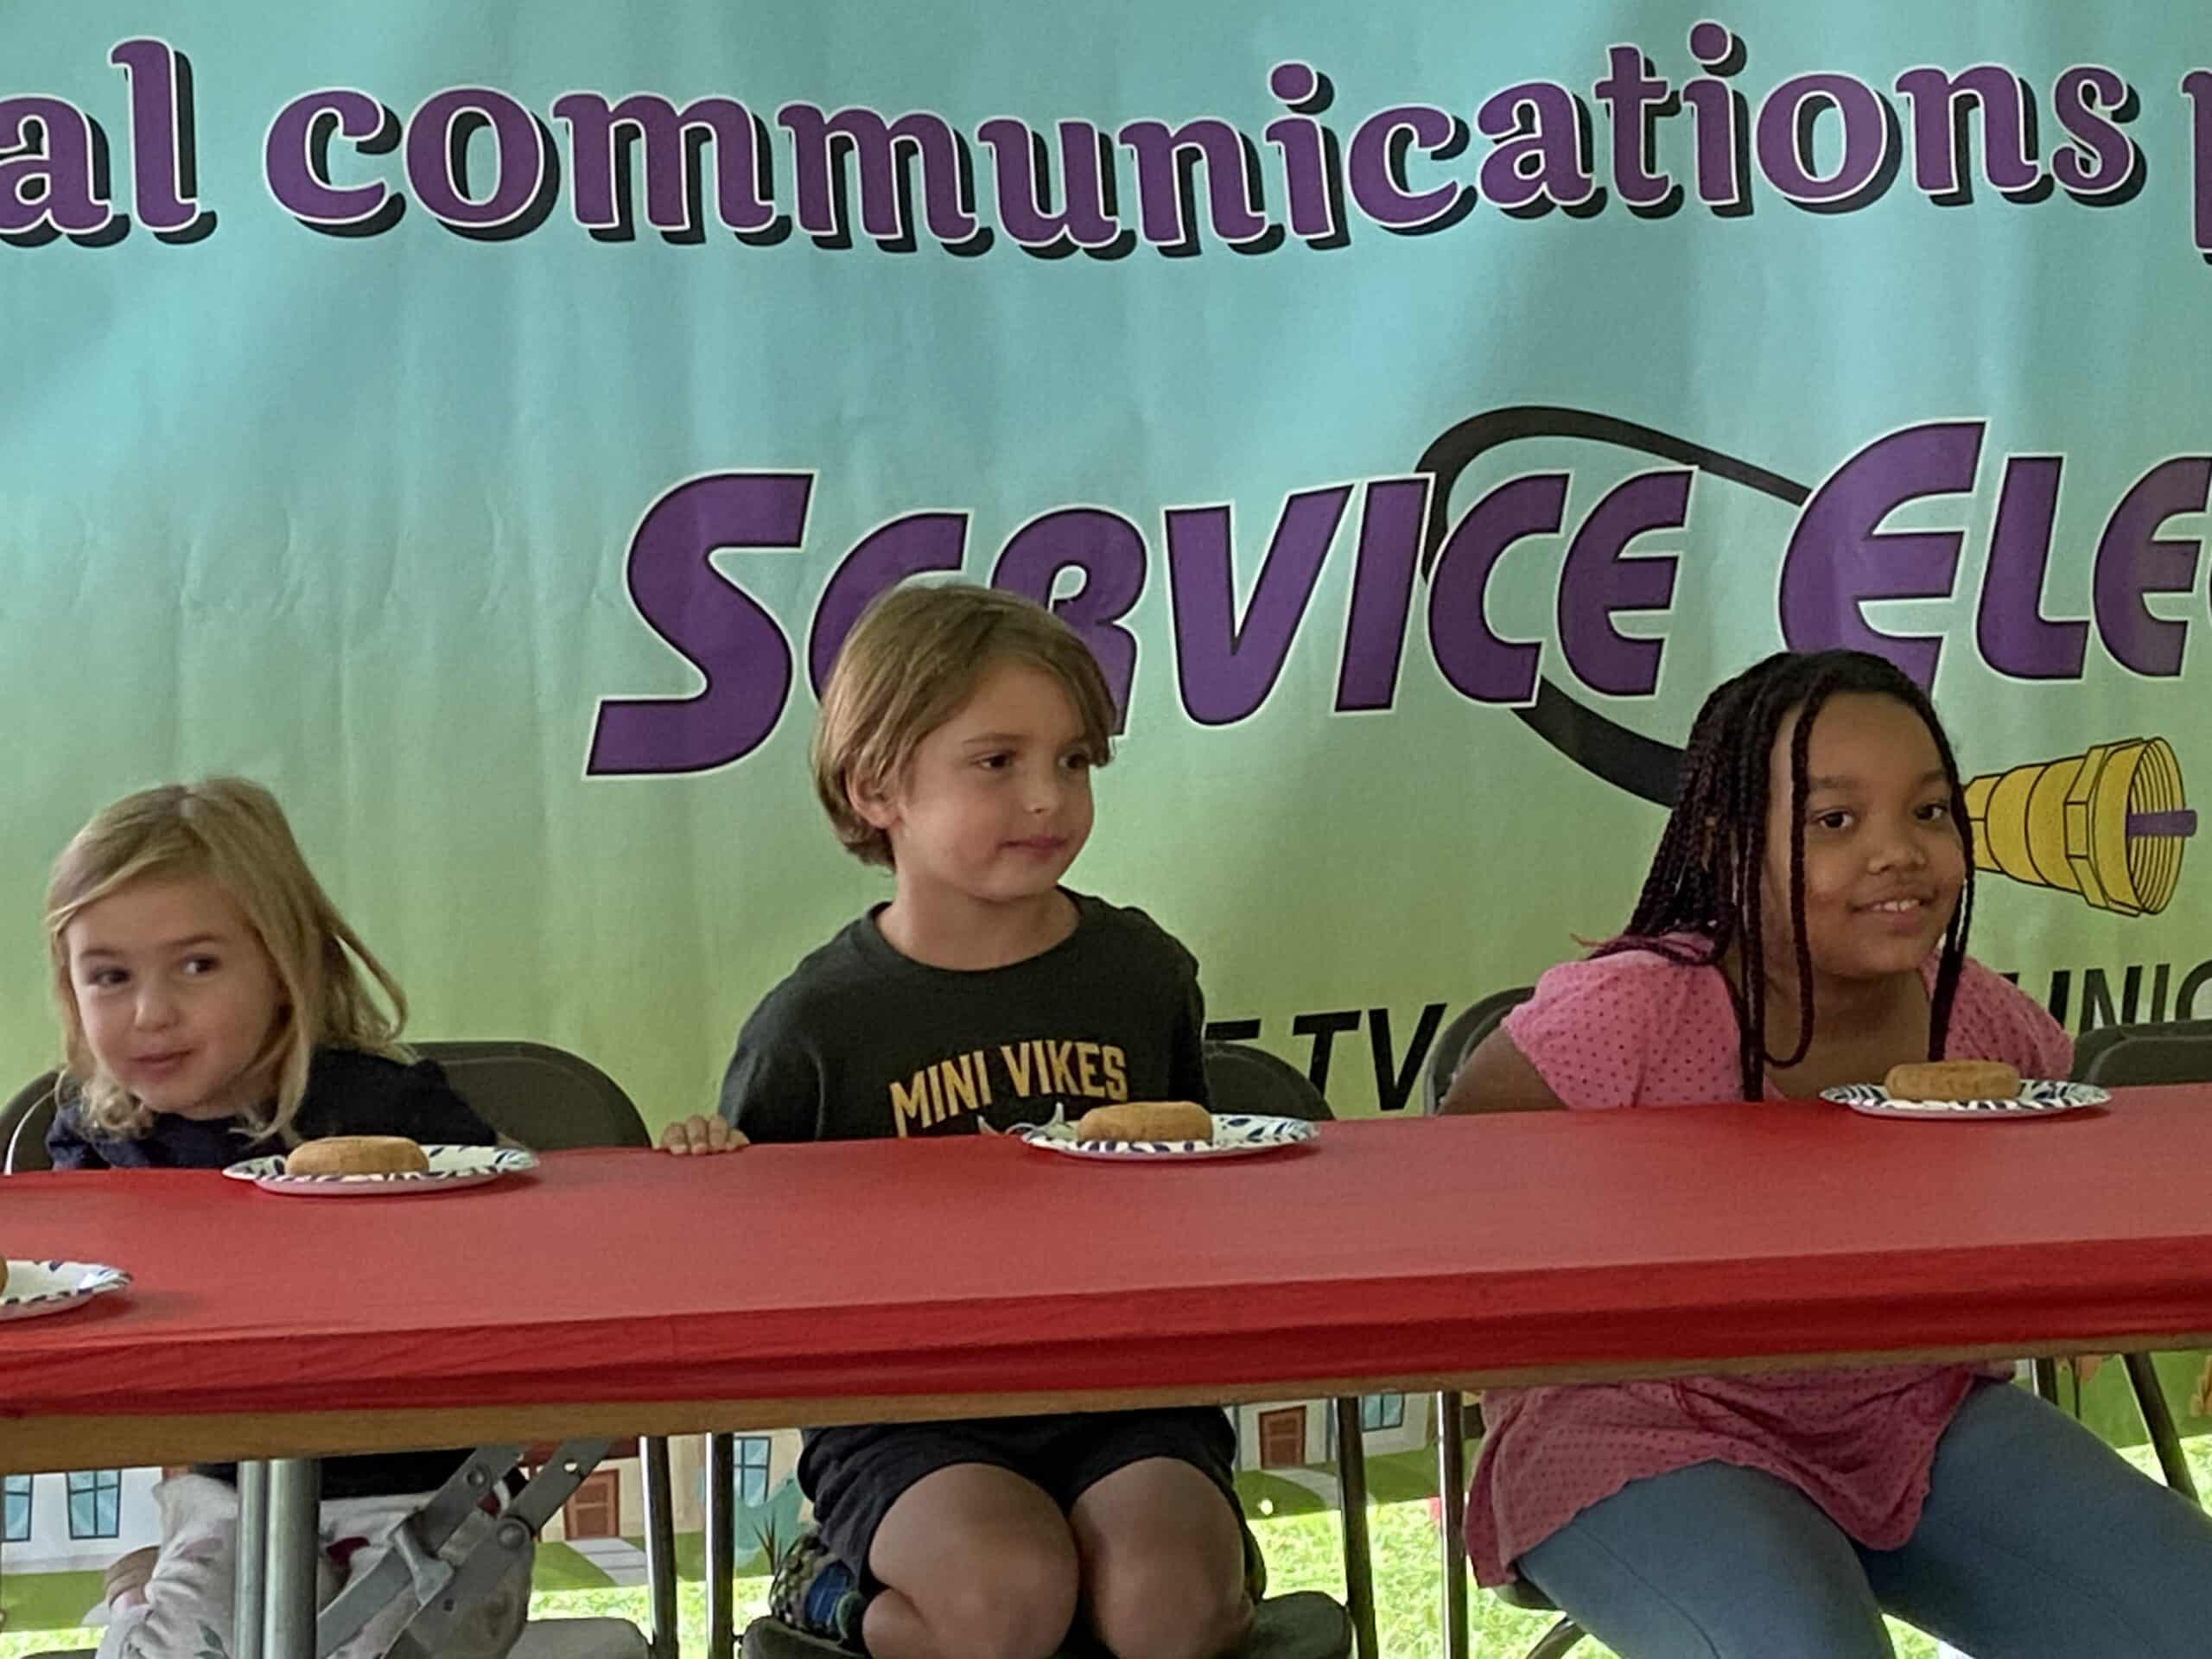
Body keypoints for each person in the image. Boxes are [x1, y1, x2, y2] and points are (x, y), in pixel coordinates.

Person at [1442, 649, 2212, 1657]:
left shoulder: (1976, 1016)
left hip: (1912, 1412)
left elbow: (2093, 1179)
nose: (1897, 852)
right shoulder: (1628, 1011)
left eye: (1929, 813)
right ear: (1724, 842)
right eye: (1834, 822)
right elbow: (1449, 1192)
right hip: (1634, 1426)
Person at [661, 583, 1253, 1659]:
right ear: (876, 784)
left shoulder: (1142, 973)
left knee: (1168, 1604)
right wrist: (714, 1172)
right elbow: (755, 1274)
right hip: (907, 1414)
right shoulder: (815, 1026)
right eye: (997, 763)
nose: (1048, 799)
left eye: (1074, 761)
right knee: (1008, 1598)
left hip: (1126, 1394)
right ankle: (832, 1591)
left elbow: (1189, 1183)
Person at [45, 778, 532, 1659]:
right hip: (227, 1496)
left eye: (198, 965)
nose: (151, 1012)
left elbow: (526, 1234)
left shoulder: (391, 1109)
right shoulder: (97, 1137)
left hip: (428, 1487)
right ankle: (141, 1590)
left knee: (404, 1646)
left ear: (285, 962)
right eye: (109, 976)